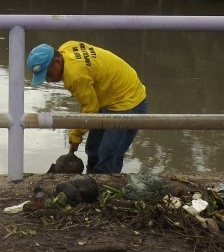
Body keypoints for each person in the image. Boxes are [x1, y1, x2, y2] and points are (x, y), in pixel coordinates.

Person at [28, 41, 148, 174]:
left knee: (109, 155)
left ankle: (104, 188)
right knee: (93, 148)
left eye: (48, 74)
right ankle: (92, 178)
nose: (47, 80)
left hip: (128, 100)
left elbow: (90, 109)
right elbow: (89, 103)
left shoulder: (75, 76)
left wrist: (76, 135)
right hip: (109, 96)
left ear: (57, 61)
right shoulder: (66, 48)